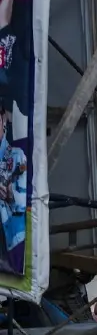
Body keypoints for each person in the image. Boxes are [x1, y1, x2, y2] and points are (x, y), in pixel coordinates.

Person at [0, 87, 25, 252]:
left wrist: (9, 192)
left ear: (3, 120)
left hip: (11, 244)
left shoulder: (17, 156)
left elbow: (26, 201)